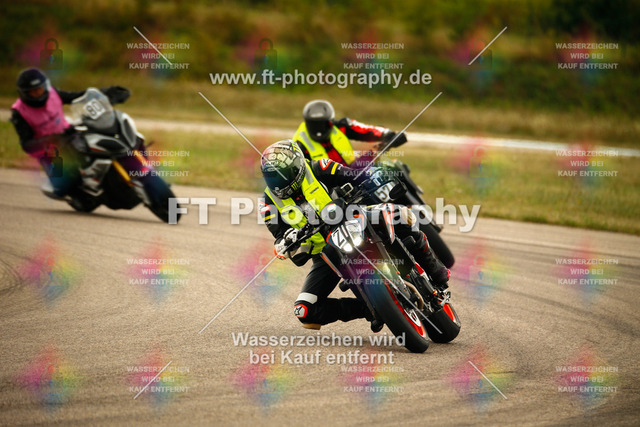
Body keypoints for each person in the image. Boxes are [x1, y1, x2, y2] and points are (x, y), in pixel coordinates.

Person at [259, 140, 449, 332]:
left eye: (283, 175)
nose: (279, 182)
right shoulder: (267, 203)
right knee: (304, 310)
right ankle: (370, 308)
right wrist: (284, 243)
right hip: (326, 254)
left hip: (356, 218)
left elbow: (352, 175)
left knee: (401, 215)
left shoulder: (319, 167)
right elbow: (279, 238)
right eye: (272, 178)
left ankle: (436, 270)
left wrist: (372, 176)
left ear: (297, 167)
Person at [10, 68, 129, 197]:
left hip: (68, 134)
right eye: (33, 92)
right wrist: (51, 139)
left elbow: (77, 96)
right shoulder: (18, 112)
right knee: (63, 186)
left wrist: (106, 93)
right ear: (24, 93)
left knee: (100, 145)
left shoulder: (53, 93)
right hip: (50, 150)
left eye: (40, 89)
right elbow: (27, 145)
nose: (38, 93)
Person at [292, 99, 407, 169]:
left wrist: (388, 134)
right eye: (314, 124)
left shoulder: (341, 126)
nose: (319, 128)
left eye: (322, 124)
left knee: (394, 168)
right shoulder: (298, 144)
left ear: (330, 120)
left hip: (355, 170)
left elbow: (366, 130)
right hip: (332, 188)